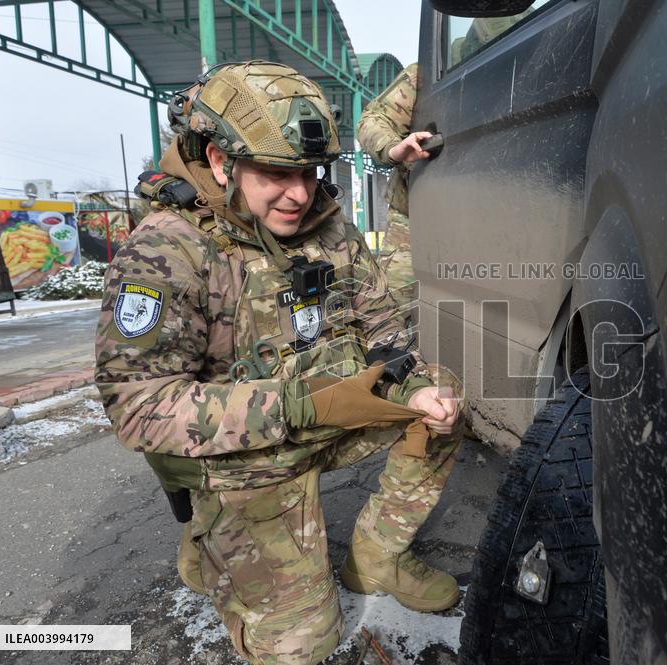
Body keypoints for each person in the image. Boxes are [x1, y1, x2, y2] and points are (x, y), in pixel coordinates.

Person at [94, 61, 463, 665]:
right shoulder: (167, 249)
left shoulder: (324, 223)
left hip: (320, 416)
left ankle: (376, 557)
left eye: (310, 173)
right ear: (219, 160)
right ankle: (210, 539)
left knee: (441, 399)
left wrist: (415, 384)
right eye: (276, 173)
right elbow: (138, 406)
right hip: (242, 458)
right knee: (302, 649)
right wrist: (302, 404)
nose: (299, 193)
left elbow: (384, 330)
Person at [356, 63, 430, 305]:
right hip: (412, 218)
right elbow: (371, 121)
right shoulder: (425, 74)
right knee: (393, 309)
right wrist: (393, 149)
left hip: (487, 220)